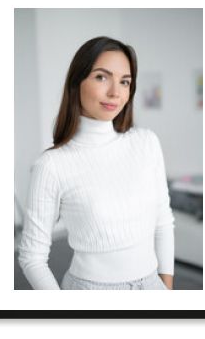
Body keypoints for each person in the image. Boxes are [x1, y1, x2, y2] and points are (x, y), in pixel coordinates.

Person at [18, 36, 175, 290]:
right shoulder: (52, 165)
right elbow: (31, 257)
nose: (115, 92)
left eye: (125, 82)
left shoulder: (147, 143)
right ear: (76, 82)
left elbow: (163, 221)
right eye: (102, 77)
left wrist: (166, 287)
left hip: (153, 286)